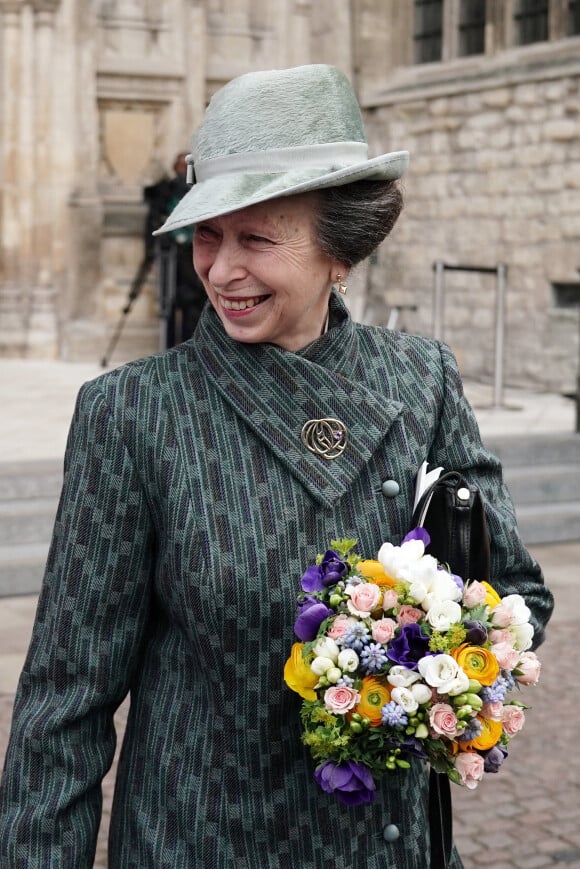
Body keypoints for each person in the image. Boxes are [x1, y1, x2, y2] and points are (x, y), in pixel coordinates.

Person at [0, 64, 553, 868]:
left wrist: (424, 660)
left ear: (343, 253)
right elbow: (66, 703)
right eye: (208, 235)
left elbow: (515, 590)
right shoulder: (134, 413)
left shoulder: (420, 377)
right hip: (201, 842)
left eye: (256, 238)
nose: (221, 270)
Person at [144, 152, 206, 347]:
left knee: (190, 305)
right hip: (173, 257)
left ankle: (183, 348)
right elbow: (153, 222)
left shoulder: (199, 192)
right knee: (174, 306)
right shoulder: (167, 192)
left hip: (188, 259)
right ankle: (173, 348)